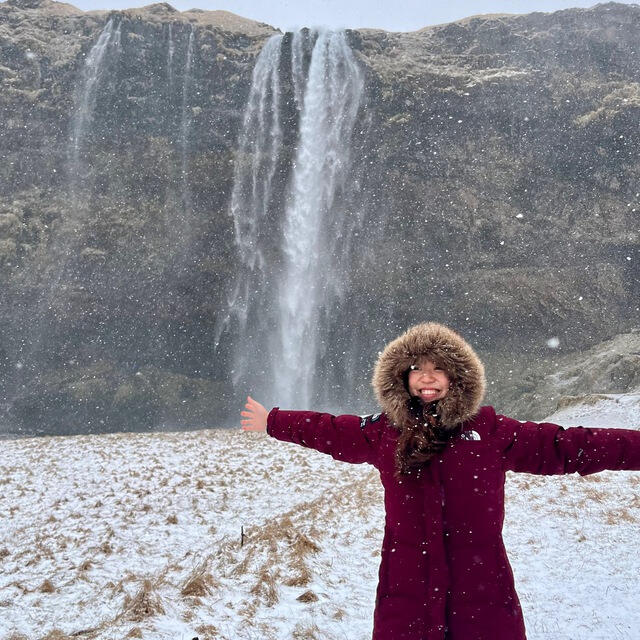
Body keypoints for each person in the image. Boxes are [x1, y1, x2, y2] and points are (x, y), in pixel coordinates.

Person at [240, 322, 640, 640]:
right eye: (417, 368)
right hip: (407, 588)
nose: (426, 378)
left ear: (457, 377)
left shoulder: (491, 431)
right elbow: (328, 428)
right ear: (402, 376)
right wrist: (272, 421)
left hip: (482, 591)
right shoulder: (384, 431)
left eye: (439, 368)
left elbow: (567, 446)